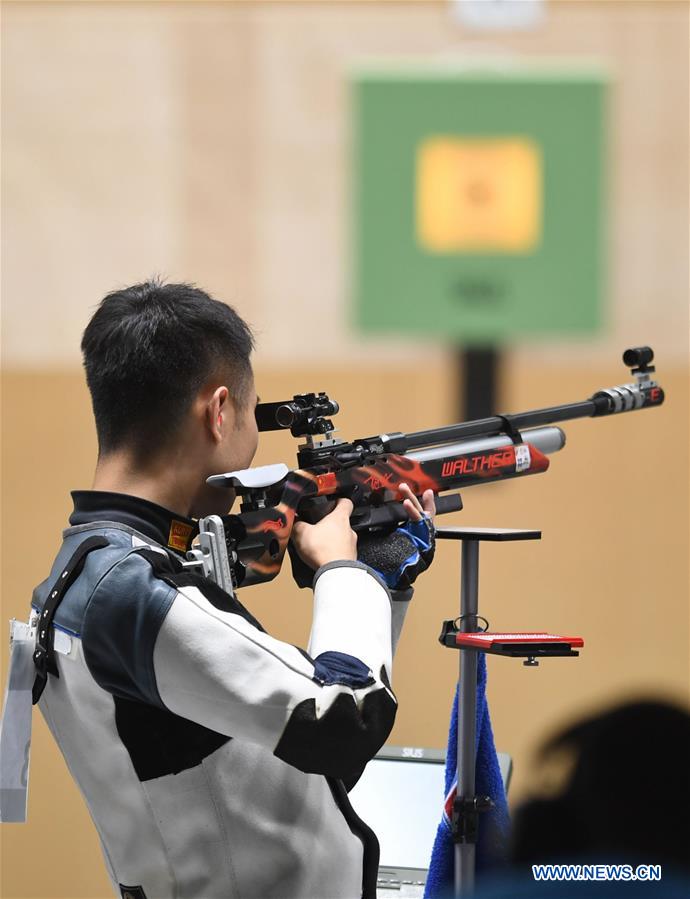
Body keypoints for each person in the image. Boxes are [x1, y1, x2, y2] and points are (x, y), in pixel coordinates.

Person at [29, 280, 436, 899]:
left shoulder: (92, 568)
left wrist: (378, 585)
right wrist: (347, 573)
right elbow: (341, 722)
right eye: (251, 417)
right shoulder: (134, 590)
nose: (251, 443)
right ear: (219, 412)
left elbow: (290, 762)